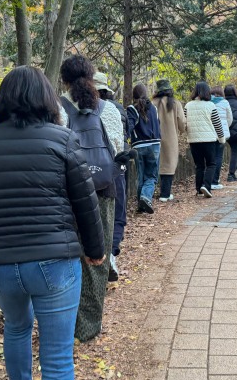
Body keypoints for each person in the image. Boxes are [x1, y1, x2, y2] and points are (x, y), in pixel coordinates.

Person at [0, 66, 105, 380]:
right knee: (58, 358)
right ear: (47, 99)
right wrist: (95, 251)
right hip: (54, 263)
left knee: (16, 326)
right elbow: (86, 201)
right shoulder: (62, 139)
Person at [59, 55, 124, 343]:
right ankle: (89, 326)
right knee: (97, 255)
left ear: (64, 80)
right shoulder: (108, 109)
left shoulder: (57, 109)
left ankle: (66, 321)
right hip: (102, 190)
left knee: (70, 255)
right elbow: (118, 147)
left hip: (67, 193)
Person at [94, 72, 128, 282]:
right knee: (117, 213)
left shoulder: (73, 109)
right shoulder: (116, 109)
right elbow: (120, 141)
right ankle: (112, 254)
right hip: (114, 168)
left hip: (82, 172)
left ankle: (98, 259)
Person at [184, 81, 225, 197]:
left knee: (199, 165)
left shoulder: (188, 105)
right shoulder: (210, 105)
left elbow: (184, 123)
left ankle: (198, 190)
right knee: (211, 164)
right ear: (207, 92)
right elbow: (217, 124)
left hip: (193, 140)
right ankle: (206, 186)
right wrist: (221, 139)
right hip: (209, 140)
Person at [127, 83, 161, 214]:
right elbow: (158, 124)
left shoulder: (132, 108)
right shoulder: (153, 108)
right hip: (155, 145)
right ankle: (145, 198)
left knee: (140, 176)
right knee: (151, 176)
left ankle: (141, 203)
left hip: (139, 145)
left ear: (133, 95)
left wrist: (126, 138)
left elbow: (129, 126)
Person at [152, 79, 185, 202]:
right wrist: (182, 130)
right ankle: (165, 194)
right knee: (169, 165)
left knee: (157, 164)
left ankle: (151, 192)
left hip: (154, 137)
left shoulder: (152, 103)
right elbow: (182, 122)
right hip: (171, 138)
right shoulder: (175, 103)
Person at [210, 85, 233, 190]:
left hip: (209, 134)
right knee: (218, 157)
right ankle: (215, 181)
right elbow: (230, 118)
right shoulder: (225, 102)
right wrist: (225, 127)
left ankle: (208, 180)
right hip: (221, 134)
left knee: (210, 157)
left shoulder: (208, 103)